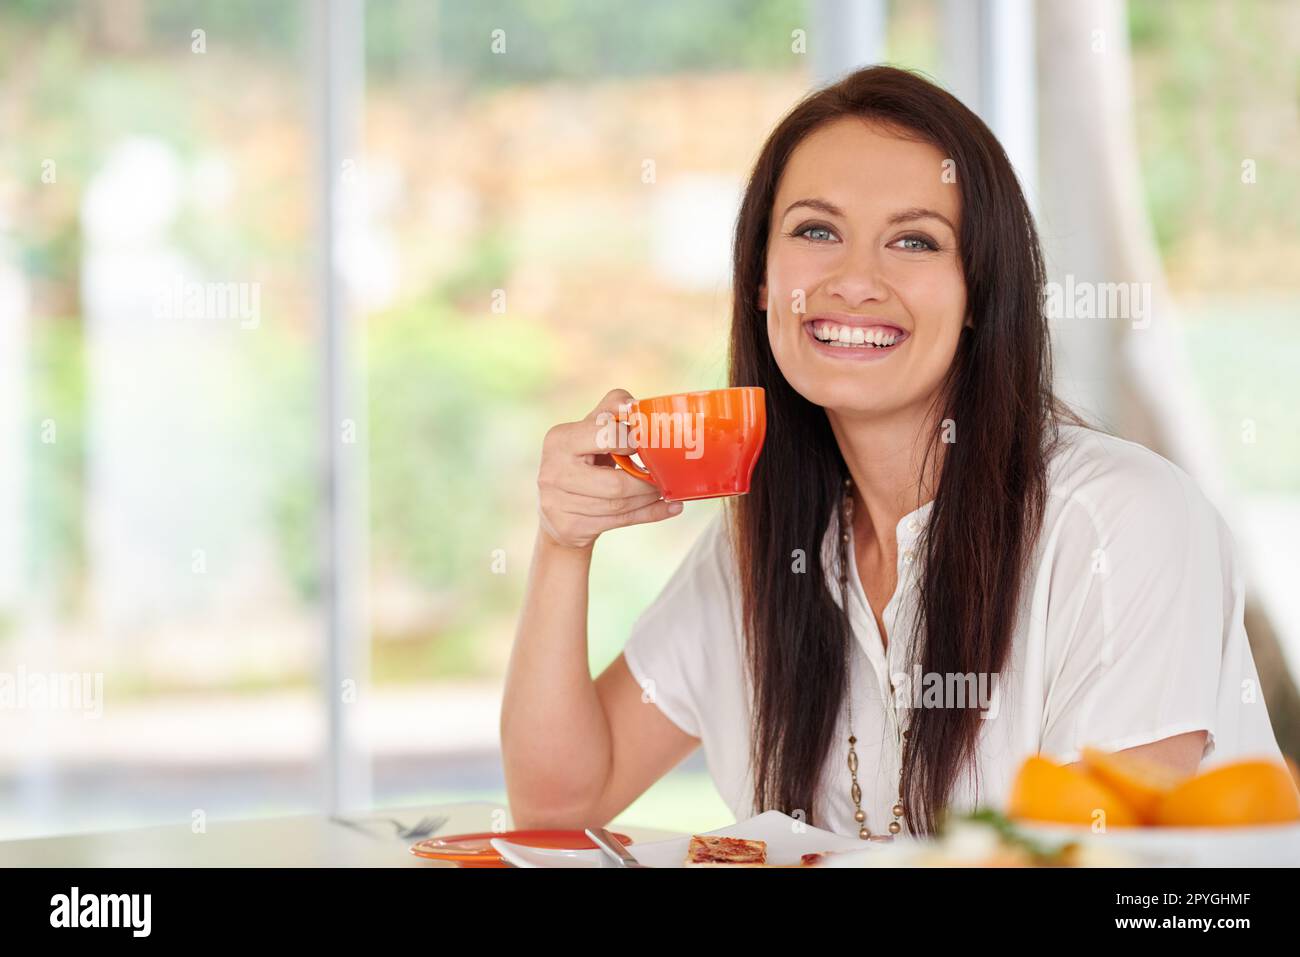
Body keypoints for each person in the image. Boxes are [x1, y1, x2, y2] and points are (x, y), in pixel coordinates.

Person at [500, 65, 1282, 838]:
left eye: (914, 240)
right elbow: (562, 802)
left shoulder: (1120, 523)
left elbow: (1096, 862)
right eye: (816, 231)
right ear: (762, 282)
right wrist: (565, 542)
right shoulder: (764, 545)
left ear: (979, 291)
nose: (856, 279)